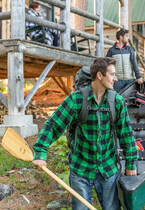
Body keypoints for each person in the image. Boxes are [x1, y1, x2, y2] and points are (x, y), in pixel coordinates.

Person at [33, 57, 138, 210]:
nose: (116, 79)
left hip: (108, 169)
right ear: (100, 75)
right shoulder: (76, 100)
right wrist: (40, 152)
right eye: (112, 74)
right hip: (80, 169)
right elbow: (52, 126)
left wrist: (130, 165)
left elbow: (126, 136)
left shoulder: (117, 102)